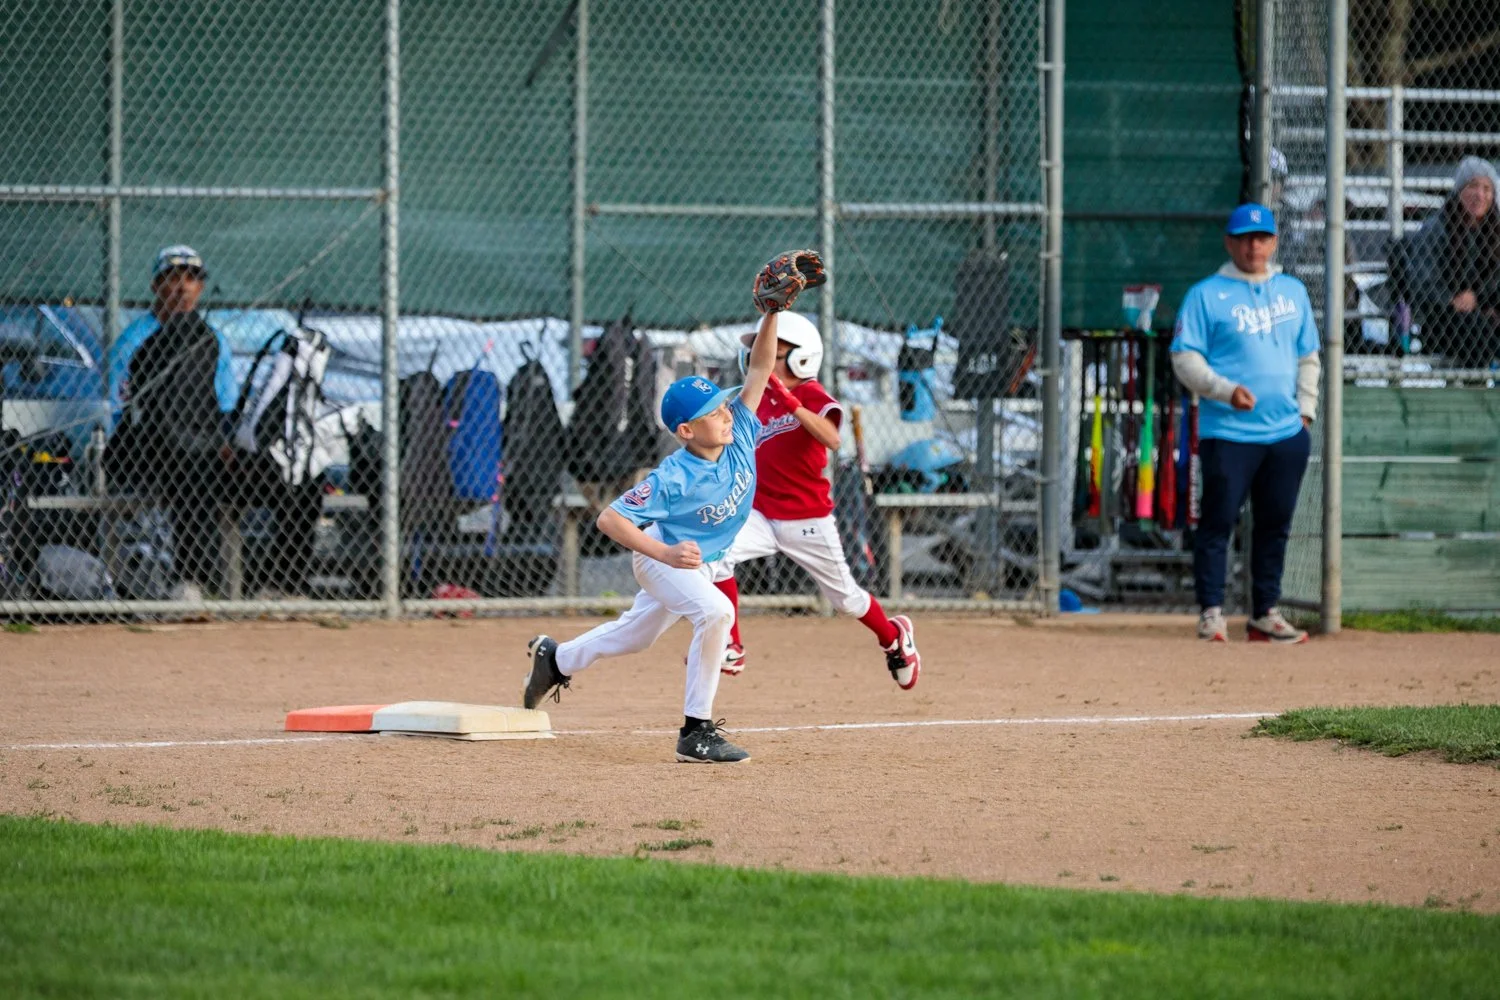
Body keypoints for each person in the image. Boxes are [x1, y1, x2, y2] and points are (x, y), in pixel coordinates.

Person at [520, 287, 785, 763]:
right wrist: (663, 555)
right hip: (662, 557)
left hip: (701, 559)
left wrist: (771, 313)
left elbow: (761, 368)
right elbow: (609, 518)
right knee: (716, 613)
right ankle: (696, 733)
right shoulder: (674, 475)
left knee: (635, 636)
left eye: (723, 406)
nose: (726, 414)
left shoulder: (741, 430)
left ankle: (554, 659)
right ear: (686, 432)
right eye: (712, 413)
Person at [706, 311, 920, 688]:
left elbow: (833, 438)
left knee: (847, 601)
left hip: (806, 519)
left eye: (774, 348)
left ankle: (893, 637)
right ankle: (732, 643)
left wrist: (790, 401)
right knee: (718, 553)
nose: (761, 353)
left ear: (800, 357)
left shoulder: (810, 393)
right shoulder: (752, 398)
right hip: (759, 512)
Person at [1170, 203, 1320, 644]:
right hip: (1229, 432)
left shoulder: (1292, 291)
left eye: (1262, 238)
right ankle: (1212, 612)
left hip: (1286, 432)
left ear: (1274, 242)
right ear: (1229, 242)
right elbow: (1184, 357)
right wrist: (1222, 389)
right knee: (1218, 523)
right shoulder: (1206, 294)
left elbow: (1308, 356)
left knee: (1275, 524)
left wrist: (1306, 412)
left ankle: (1264, 613)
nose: (1254, 246)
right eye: (1244, 238)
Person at [106, 246, 237, 599]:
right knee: (192, 467)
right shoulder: (134, 341)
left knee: (206, 465)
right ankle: (190, 581)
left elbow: (227, 406)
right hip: (144, 448)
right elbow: (120, 412)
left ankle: (212, 583)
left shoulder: (214, 340)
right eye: (173, 278)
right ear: (155, 286)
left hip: (199, 450)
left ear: (201, 289)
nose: (183, 288)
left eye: (192, 279)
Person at [1401, 155, 1500, 368]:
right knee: (1477, 330)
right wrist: (1452, 300)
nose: (1480, 195)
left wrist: (1478, 298)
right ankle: (1475, 390)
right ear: (1460, 190)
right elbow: (1423, 281)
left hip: (1484, 311)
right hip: (1445, 318)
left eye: (1487, 188)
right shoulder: (1438, 228)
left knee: (1484, 326)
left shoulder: (1495, 231)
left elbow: (1495, 281)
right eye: (1473, 186)